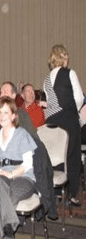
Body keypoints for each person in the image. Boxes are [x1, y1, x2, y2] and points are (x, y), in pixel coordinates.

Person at [0, 81, 57, 220]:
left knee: (37, 150)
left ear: (14, 96)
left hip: (25, 152)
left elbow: (33, 138)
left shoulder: (21, 114)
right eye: (2, 92)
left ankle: (43, 200)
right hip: (4, 160)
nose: (3, 94)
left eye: (7, 92)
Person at [0, 97, 37, 239]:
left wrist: (9, 174)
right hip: (2, 181)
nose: (2, 116)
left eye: (6, 112)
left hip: (24, 179)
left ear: (13, 116)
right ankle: (9, 224)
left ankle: (5, 225)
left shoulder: (22, 134)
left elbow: (28, 164)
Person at [43, 44, 83, 205]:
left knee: (56, 156)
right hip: (68, 118)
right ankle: (73, 194)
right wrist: (77, 113)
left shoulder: (46, 79)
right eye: (65, 56)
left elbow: (49, 100)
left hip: (51, 121)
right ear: (61, 57)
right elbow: (79, 97)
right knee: (72, 157)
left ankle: (56, 191)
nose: (67, 59)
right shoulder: (70, 73)